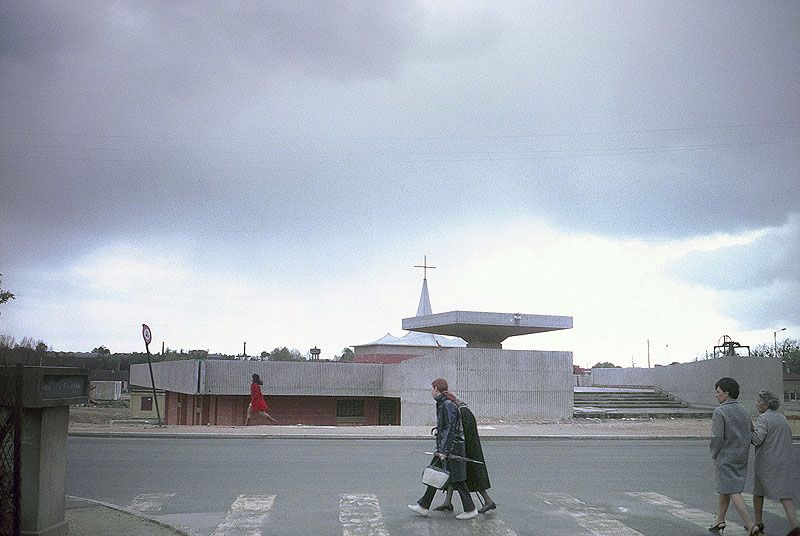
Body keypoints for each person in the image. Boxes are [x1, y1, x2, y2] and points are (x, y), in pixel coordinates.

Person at [408, 378, 479, 520]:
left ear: (436, 389)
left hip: (452, 448)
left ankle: (470, 509)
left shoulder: (447, 404)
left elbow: (450, 429)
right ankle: (423, 506)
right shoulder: (443, 403)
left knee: (457, 480)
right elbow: (446, 426)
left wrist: (444, 451)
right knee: (435, 476)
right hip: (447, 447)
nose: (431, 392)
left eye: (432, 389)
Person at [432, 391, 496, 514]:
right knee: (451, 474)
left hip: (465, 451)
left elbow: (458, 432)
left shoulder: (461, 412)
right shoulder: (462, 410)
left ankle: (487, 501)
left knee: (467, 476)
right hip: (461, 449)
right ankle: (447, 501)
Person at [709, 377, 757, 535]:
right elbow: (751, 431)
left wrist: (714, 453)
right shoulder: (744, 410)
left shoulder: (720, 412)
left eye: (718, 392)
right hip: (741, 456)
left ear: (726, 393)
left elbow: (717, 438)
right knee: (726, 488)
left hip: (725, 457)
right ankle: (720, 520)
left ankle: (751, 525)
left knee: (732, 491)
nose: (716, 395)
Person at [751, 390, 799, 536]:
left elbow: (758, 439)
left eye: (759, 401)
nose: (757, 403)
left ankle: (758, 523)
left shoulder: (763, 418)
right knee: (785, 494)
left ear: (766, 404)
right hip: (783, 461)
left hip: (766, 462)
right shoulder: (782, 418)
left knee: (758, 492)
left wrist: (750, 431)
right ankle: (794, 525)